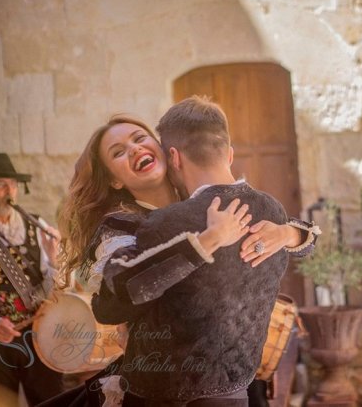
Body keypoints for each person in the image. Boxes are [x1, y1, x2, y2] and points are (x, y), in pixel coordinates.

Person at [46, 115, 316, 406]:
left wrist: (288, 234)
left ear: (167, 152)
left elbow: (305, 237)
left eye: (139, 138)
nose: (134, 149)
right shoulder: (118, 227)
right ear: (114, 179)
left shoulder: (204, 200)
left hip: (229, 375)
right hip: (162, 382)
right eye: (118, 152)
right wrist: (208, 240)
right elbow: (114, 302)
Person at [0, 152, 64, 405]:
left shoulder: (36, 225)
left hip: (39, 335)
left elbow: (52, 288)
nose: (9, 191)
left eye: (13, 184)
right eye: (0, 184)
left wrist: (55, 260)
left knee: (51, 400)